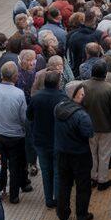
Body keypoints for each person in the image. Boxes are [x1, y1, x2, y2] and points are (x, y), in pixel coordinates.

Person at [0, 62, 29, 203]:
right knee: (15, 166)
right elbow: (23, 117)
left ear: (1, 75)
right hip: (16, 136)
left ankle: (0, 190)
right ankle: (14, 195)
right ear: (15, 77)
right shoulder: (19, 94)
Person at [54, 82, 95, 220]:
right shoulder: (81, 115)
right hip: (80, 155)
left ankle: (63, 214)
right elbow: (88, 133)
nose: (84, 96)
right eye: (82, 94)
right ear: (75, 95)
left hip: (62, 153)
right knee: (83, 185)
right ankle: (82, 214)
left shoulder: (58, 108)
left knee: (64, 184)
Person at [81, 61, 111, 192]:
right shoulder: (110, 88)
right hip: (106, 126)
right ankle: (102, 180)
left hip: (88, 126)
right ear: (105, 74)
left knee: (91, 152)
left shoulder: (83, 85)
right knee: (104, 154)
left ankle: (92, 177)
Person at [27, 71, 64, 209]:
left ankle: (48, 199)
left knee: (46, 171)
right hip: (57, 141)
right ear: (58, 83)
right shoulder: (62, 97)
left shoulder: (36, 98)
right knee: (57, 171)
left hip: (40, 141)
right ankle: (58, 198)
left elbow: (29, 115)